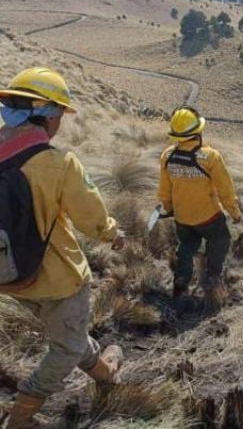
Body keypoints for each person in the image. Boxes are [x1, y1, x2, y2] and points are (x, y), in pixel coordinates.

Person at [0, 68, 125, 429]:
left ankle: (106, 373)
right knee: (67, 346)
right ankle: (21, 417)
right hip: (57, 278)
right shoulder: (58, 163)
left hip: (7, 276)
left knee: (68, 332)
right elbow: (92, 218)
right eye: (59, 116)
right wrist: (113, 234)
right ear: (49, 115)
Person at [158, 106, 241, 307]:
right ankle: (212, 276)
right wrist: (235, 213)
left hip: (182, 218)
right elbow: (225, 190)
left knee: (186, 247)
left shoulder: (168, 155)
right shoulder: (210, 156)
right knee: (221, 240)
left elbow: (164, 191)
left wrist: (167, 208)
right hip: (209, 217)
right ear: (197, 132)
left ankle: (181, 282)